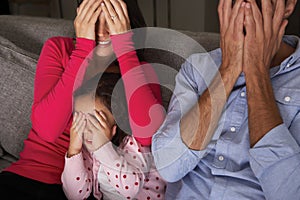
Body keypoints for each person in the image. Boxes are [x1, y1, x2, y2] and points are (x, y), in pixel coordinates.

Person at [0, 0, 164, 199]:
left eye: (111, 20)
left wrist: (125, 49)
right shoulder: (59, 49)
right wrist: (83, 48)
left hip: (88, 188)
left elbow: (148, 136)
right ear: (81, 15)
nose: (102, 31)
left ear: (127, 21)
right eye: (94, 18)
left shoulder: (140, 70)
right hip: (33, 174)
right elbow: (47, 130)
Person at [152, 0, 300, 199]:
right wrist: (228, 69)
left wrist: (256, 70)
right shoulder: (197, 68)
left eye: (257, 4)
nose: (245, 10)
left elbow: (289, 193)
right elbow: (168, 167)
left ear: (288, 6)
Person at [61, 1, 166, 199]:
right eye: (82, 119)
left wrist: (102, 147)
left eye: (111, 18)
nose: (102, 30)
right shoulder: (89, 151)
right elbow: (76, 195)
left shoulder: (132, 147)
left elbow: (130, 189)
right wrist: (73, 150)